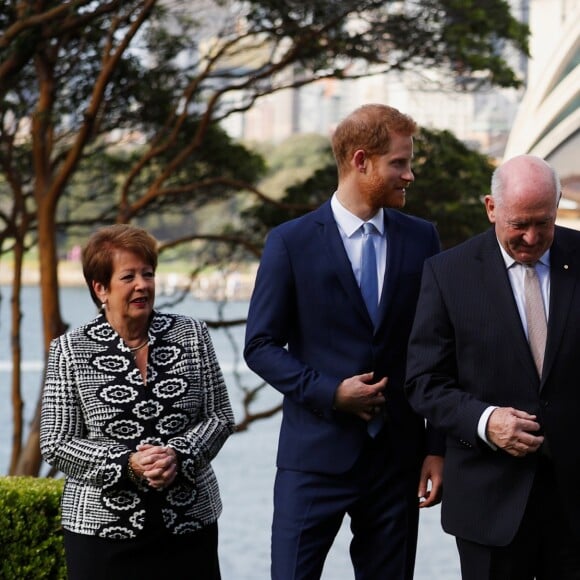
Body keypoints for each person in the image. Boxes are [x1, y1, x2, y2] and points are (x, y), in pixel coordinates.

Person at [244, 103, 444, 580]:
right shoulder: (289, 242)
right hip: (313, 457)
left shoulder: (423, 239)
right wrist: (330, 393)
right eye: (399, 163)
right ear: (361, 161)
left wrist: (437, 447)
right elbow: (261, 345)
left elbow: (438, 348)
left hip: (397, 462)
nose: (409, 175)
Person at [405, 154, 580, 579]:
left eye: (544, 221)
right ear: (490, 208)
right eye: (519, 223)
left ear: (557, 205)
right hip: (489, 501)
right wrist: (485, 421)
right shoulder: (447, 273)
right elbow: (424, 382)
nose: (533, 236)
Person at [40, 224, 235, 580]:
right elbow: (56, 443)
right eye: (128, 276)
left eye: (148, 274)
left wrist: (178, 454)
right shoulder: (69, 350)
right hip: (101, 534)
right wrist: (129, 464)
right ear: (101, 288)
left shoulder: (192, 334)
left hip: (189, 525)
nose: (143, 285)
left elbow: (220, 416)